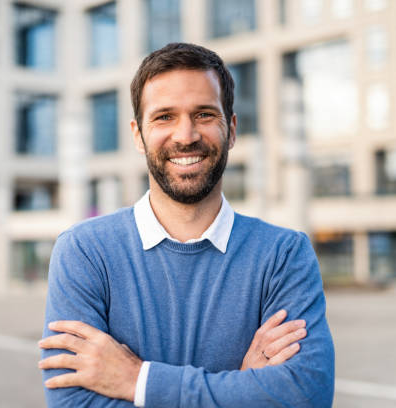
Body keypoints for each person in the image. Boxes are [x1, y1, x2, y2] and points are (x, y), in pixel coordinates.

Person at [38, 43, 334, 407]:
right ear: (137, 134)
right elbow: (73, 403)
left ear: (233, 128)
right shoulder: (84, 252)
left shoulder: (284, 254)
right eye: (164, 117)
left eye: (205, 114)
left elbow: (307, 396)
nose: (186, 135)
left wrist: (138, 381)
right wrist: (242, 387)